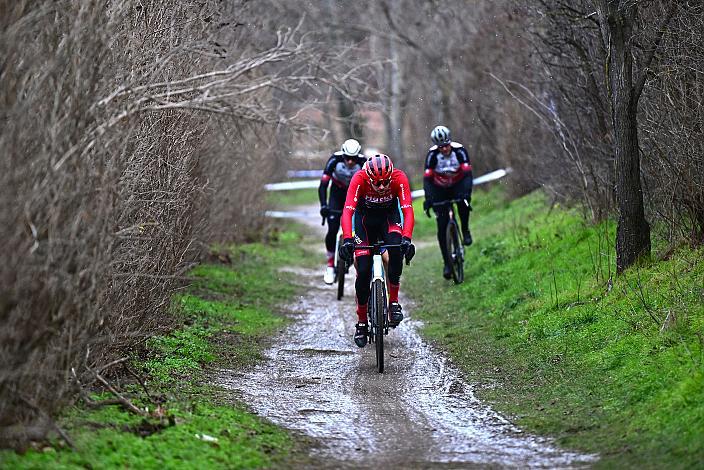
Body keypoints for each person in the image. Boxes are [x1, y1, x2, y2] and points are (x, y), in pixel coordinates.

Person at [338, 154, 415, 348]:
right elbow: (348, 211)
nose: (381, 188)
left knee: (396, 251)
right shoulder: (359, 179)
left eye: (385, 183)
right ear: (368, 177)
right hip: (365, 223)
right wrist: (347, 239)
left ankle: (394, 302)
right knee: (363, 271)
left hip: (389, 219)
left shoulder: (399, 178)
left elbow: (407, 210)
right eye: (377, 183)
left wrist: (407, 238)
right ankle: (362, 322)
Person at [422, 125, 473, 280]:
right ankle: (447, 262)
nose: (444, 149)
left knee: (463, 204)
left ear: (450, 141)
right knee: (442, 225)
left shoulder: (460, 151)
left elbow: (468, 174)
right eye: (441, 147)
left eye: (446, 145)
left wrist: (466, 194)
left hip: (458, 183)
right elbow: (427, 180)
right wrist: (429, 199)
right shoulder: (432, 155)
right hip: (440, 188)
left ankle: (464, 230)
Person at [319, 139, 367, 284]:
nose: (350, 162)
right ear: (343, 154)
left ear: (357, 156)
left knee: (357, 230)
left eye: (353, 158)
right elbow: (323, 185)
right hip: (337, 195)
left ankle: (352, 258)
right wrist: (323, 206)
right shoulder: (334, 159)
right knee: (332, 229)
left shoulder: (363, 162)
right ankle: (329, 266)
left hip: (354, 196)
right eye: (347, 158)